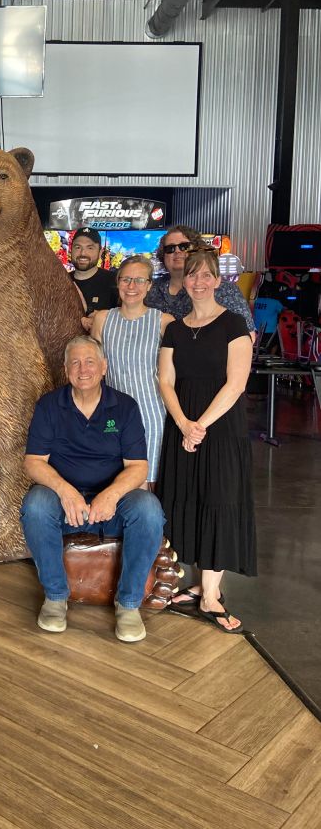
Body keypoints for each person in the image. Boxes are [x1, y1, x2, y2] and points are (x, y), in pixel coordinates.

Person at [20, 335, 165, 641]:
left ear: (103, 367)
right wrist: (65, 491)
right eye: (75, 362)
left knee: (149, 509)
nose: (82, 369)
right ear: (66, 368)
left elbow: (138, 467)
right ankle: (55, 598)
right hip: (66, 505)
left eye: (89, 362)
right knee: (35, 505)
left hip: (111, 505)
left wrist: (110, 495)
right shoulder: (49, 405)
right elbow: (33, 462)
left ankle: (128, 606)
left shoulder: (124, 407)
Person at [158, 247, 256, 633]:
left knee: (217, 498)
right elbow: (165, 380)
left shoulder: (234, 324)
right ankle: (199, 582)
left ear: (218, 281)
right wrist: (183, 422)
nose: (198, 282)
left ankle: (212, 595)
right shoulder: (175, 329)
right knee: (189, 499)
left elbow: (236, 383)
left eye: (206, 276)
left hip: (220, 427)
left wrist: (200, 426)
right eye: (192, 275)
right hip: (182, 425)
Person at [91, 256, 173, 488]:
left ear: (149, 285)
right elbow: (96, 371)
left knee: (148, 480)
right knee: (115, 479)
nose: (131, 286)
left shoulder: (163, 322)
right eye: (126, 279)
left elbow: (171, 374)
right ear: (118, 282)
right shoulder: (103, 318)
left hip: (152, 411)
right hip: (112, 411)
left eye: (139, 280)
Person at [146, 225, 255, 334]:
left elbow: (248, 335)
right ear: (162, 255)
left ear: (197, 250)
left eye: (184, 246)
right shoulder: (149, 289)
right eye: (170, 248)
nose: (177, 251)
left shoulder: (225, 289)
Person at [68, 227, 118, 330]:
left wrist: (99, 318)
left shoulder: (114, 282)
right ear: (71, 250)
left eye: (90, 248)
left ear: (100, 252)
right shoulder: (61, 280)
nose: (82, 253)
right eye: (77, 247)